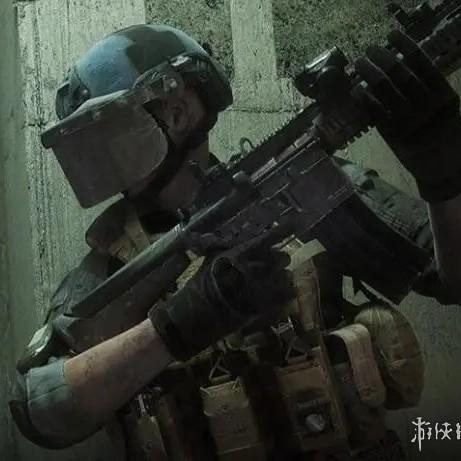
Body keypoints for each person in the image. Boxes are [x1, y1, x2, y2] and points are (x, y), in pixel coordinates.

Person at [8, 24, 455, 461]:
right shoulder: (112, 267)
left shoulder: (301, 181)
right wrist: (175, 326)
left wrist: (444, 175)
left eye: (107, 136)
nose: (99, 161)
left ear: (177, 112)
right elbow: (38, 412)